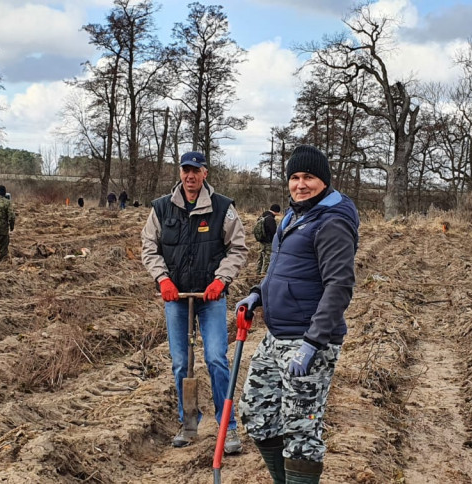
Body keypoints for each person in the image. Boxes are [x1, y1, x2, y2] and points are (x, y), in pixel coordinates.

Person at [235, 145, 359, 484]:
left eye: (309, 177)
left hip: (307, 341)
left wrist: (312, 343)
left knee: (300, 431)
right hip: (277, 336)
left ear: (324, 181)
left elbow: (339, 286)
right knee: (256, 413)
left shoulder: (332, 222)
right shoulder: (294, 215)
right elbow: (282, 271)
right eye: (294, 177)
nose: (300, 184)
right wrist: (257, 294)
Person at [140, 151, 247, 453]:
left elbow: (238, 248)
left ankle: (228, 427)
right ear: (180, 172)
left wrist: (221, 280)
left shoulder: (223, 208)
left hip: (209, 298)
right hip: (176, 298)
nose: (190, 176)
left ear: (205, 174)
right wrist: (163, 279)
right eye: (185, 170)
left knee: (215, 358)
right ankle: (188, 423)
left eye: (195, 171)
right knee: (180, 364)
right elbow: (149, 246)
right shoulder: (162, 208)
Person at [253, 203, 281, 275]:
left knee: (260, 258)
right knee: (267, 259)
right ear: (276, 211)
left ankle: (257, 273)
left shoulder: (262, 216)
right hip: (268, 243)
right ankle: (264, 275)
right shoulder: (271, 219)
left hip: (261, 241)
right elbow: (273, 232)